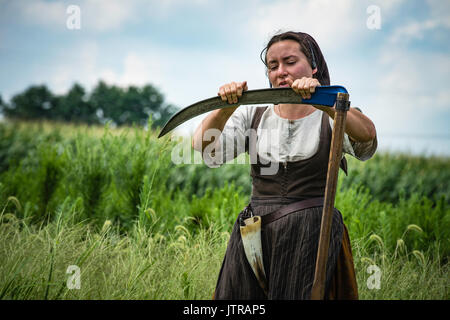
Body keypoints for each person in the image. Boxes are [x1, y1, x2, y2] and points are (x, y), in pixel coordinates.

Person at [192, 31, 377, 299]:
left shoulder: (333, 114)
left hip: (312, 235)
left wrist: (324, 102)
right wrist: (225, 106)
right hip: (256, 236)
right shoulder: (253, 116)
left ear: (313, 67)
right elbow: (204, 147)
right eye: (273, 66)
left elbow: (367, 135)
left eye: (290, 62)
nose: (281, 72)